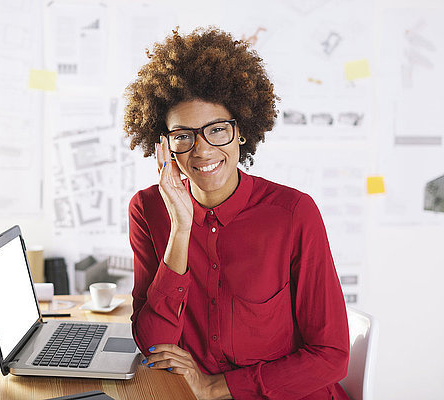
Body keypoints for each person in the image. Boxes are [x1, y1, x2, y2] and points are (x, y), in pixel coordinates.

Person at [123, 27, 350, 400]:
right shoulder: (148, 210)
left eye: (216, 130)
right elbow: (153, 346)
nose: (202, 150)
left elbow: (331, 357)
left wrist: (218, 386)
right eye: (183, 135)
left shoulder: (293, 213)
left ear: (241, 131)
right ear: (163, 143)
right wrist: (181, 228)